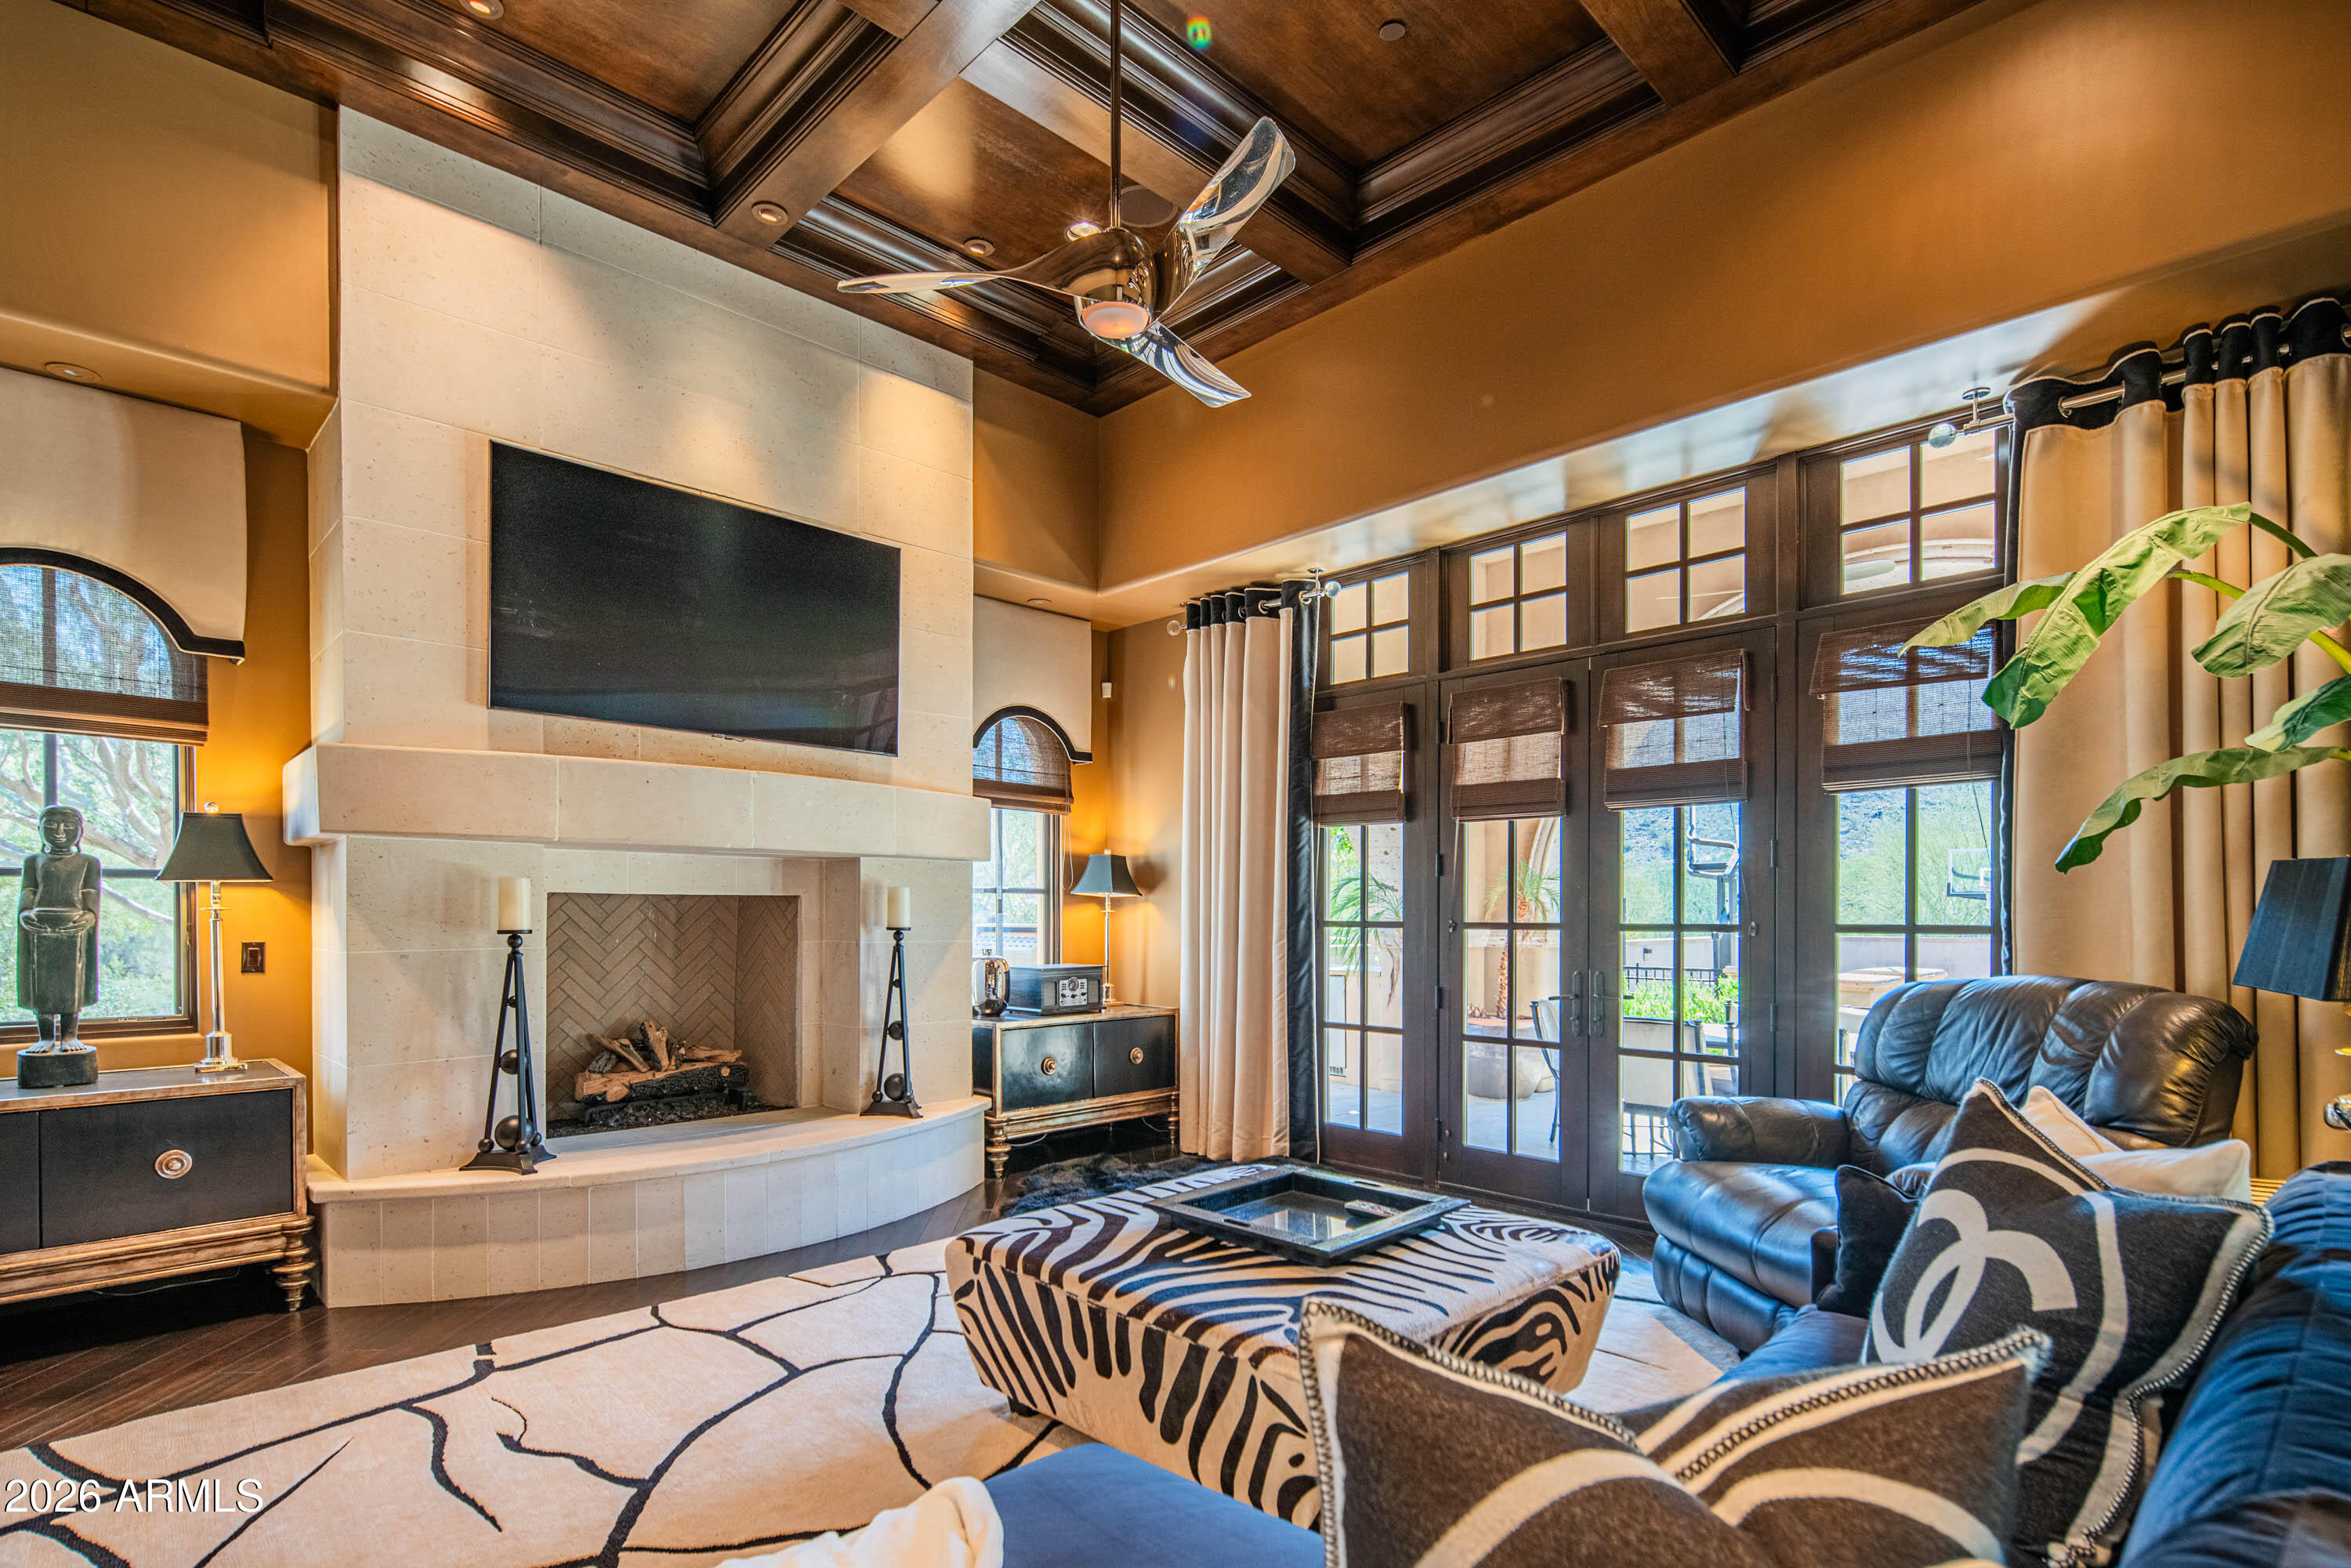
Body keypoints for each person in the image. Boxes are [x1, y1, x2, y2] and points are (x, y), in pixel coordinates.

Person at [16, 805, 101, 1087]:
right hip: (40, 928)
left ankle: (69, 1035)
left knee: (72, 983)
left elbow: (91, 900)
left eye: (67, 826)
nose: (60, 832)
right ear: (40, 829)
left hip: (73, 927)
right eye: (52, 826)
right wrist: (26, 916)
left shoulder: (88, 862)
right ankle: (45, 1037)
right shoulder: (33, 862)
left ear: (80, 831)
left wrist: (88, 918)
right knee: (42, 983)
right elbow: (27, 896)